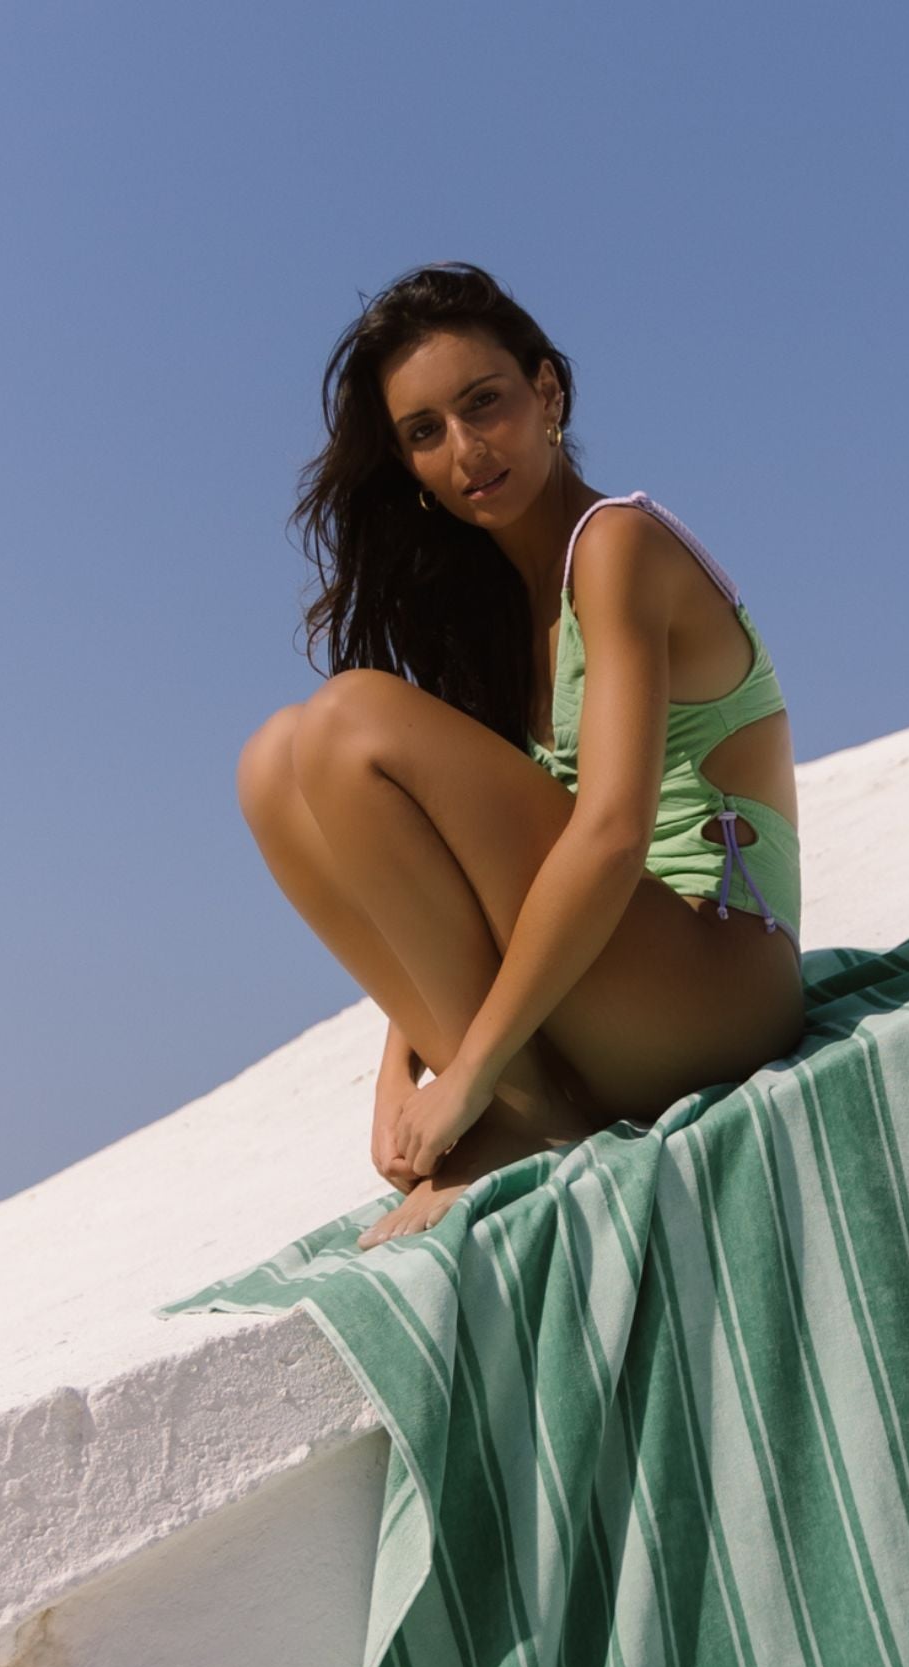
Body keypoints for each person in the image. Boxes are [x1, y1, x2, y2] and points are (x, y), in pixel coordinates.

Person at [235, 263, 808, 1246]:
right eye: (424, 433)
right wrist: (399, 1074)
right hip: (611, 1004)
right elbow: (443, 886)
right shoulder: (504, 613)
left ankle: (517, 1122)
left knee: (345, 720)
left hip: (718, 981)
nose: (465, 450)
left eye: (483, 404)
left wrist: (468, 1076)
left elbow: (611, 833)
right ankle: (518, 1111)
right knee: (274, 760)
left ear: (547, 393)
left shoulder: (616, 545)